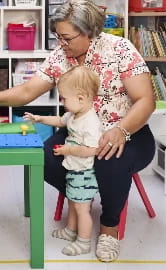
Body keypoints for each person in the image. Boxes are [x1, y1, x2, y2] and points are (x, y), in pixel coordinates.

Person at [0, 0, 156, 262]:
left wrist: (121, 131)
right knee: (42, 157)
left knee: (109, 161)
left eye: (67, 37)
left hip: (128, 132)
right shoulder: (60, 57)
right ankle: (81, 197)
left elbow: (146, 100)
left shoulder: (119, 49)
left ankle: (109, 228)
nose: (61, 43)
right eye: (57, 36)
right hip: (77, 132)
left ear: (89, 31)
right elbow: (26, 91)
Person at [23, 65, 102, 256]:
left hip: (84, 173)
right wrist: (39, 118)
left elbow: (92, 149)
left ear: (81, 98)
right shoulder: (75, 114)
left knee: (82, 208)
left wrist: (69, 149)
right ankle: (70, 230)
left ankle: (83, 242)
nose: (62, 101)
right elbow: (60, 121)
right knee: (73, 202)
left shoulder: (90, 122)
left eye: (65, 98)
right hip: (74, 169)